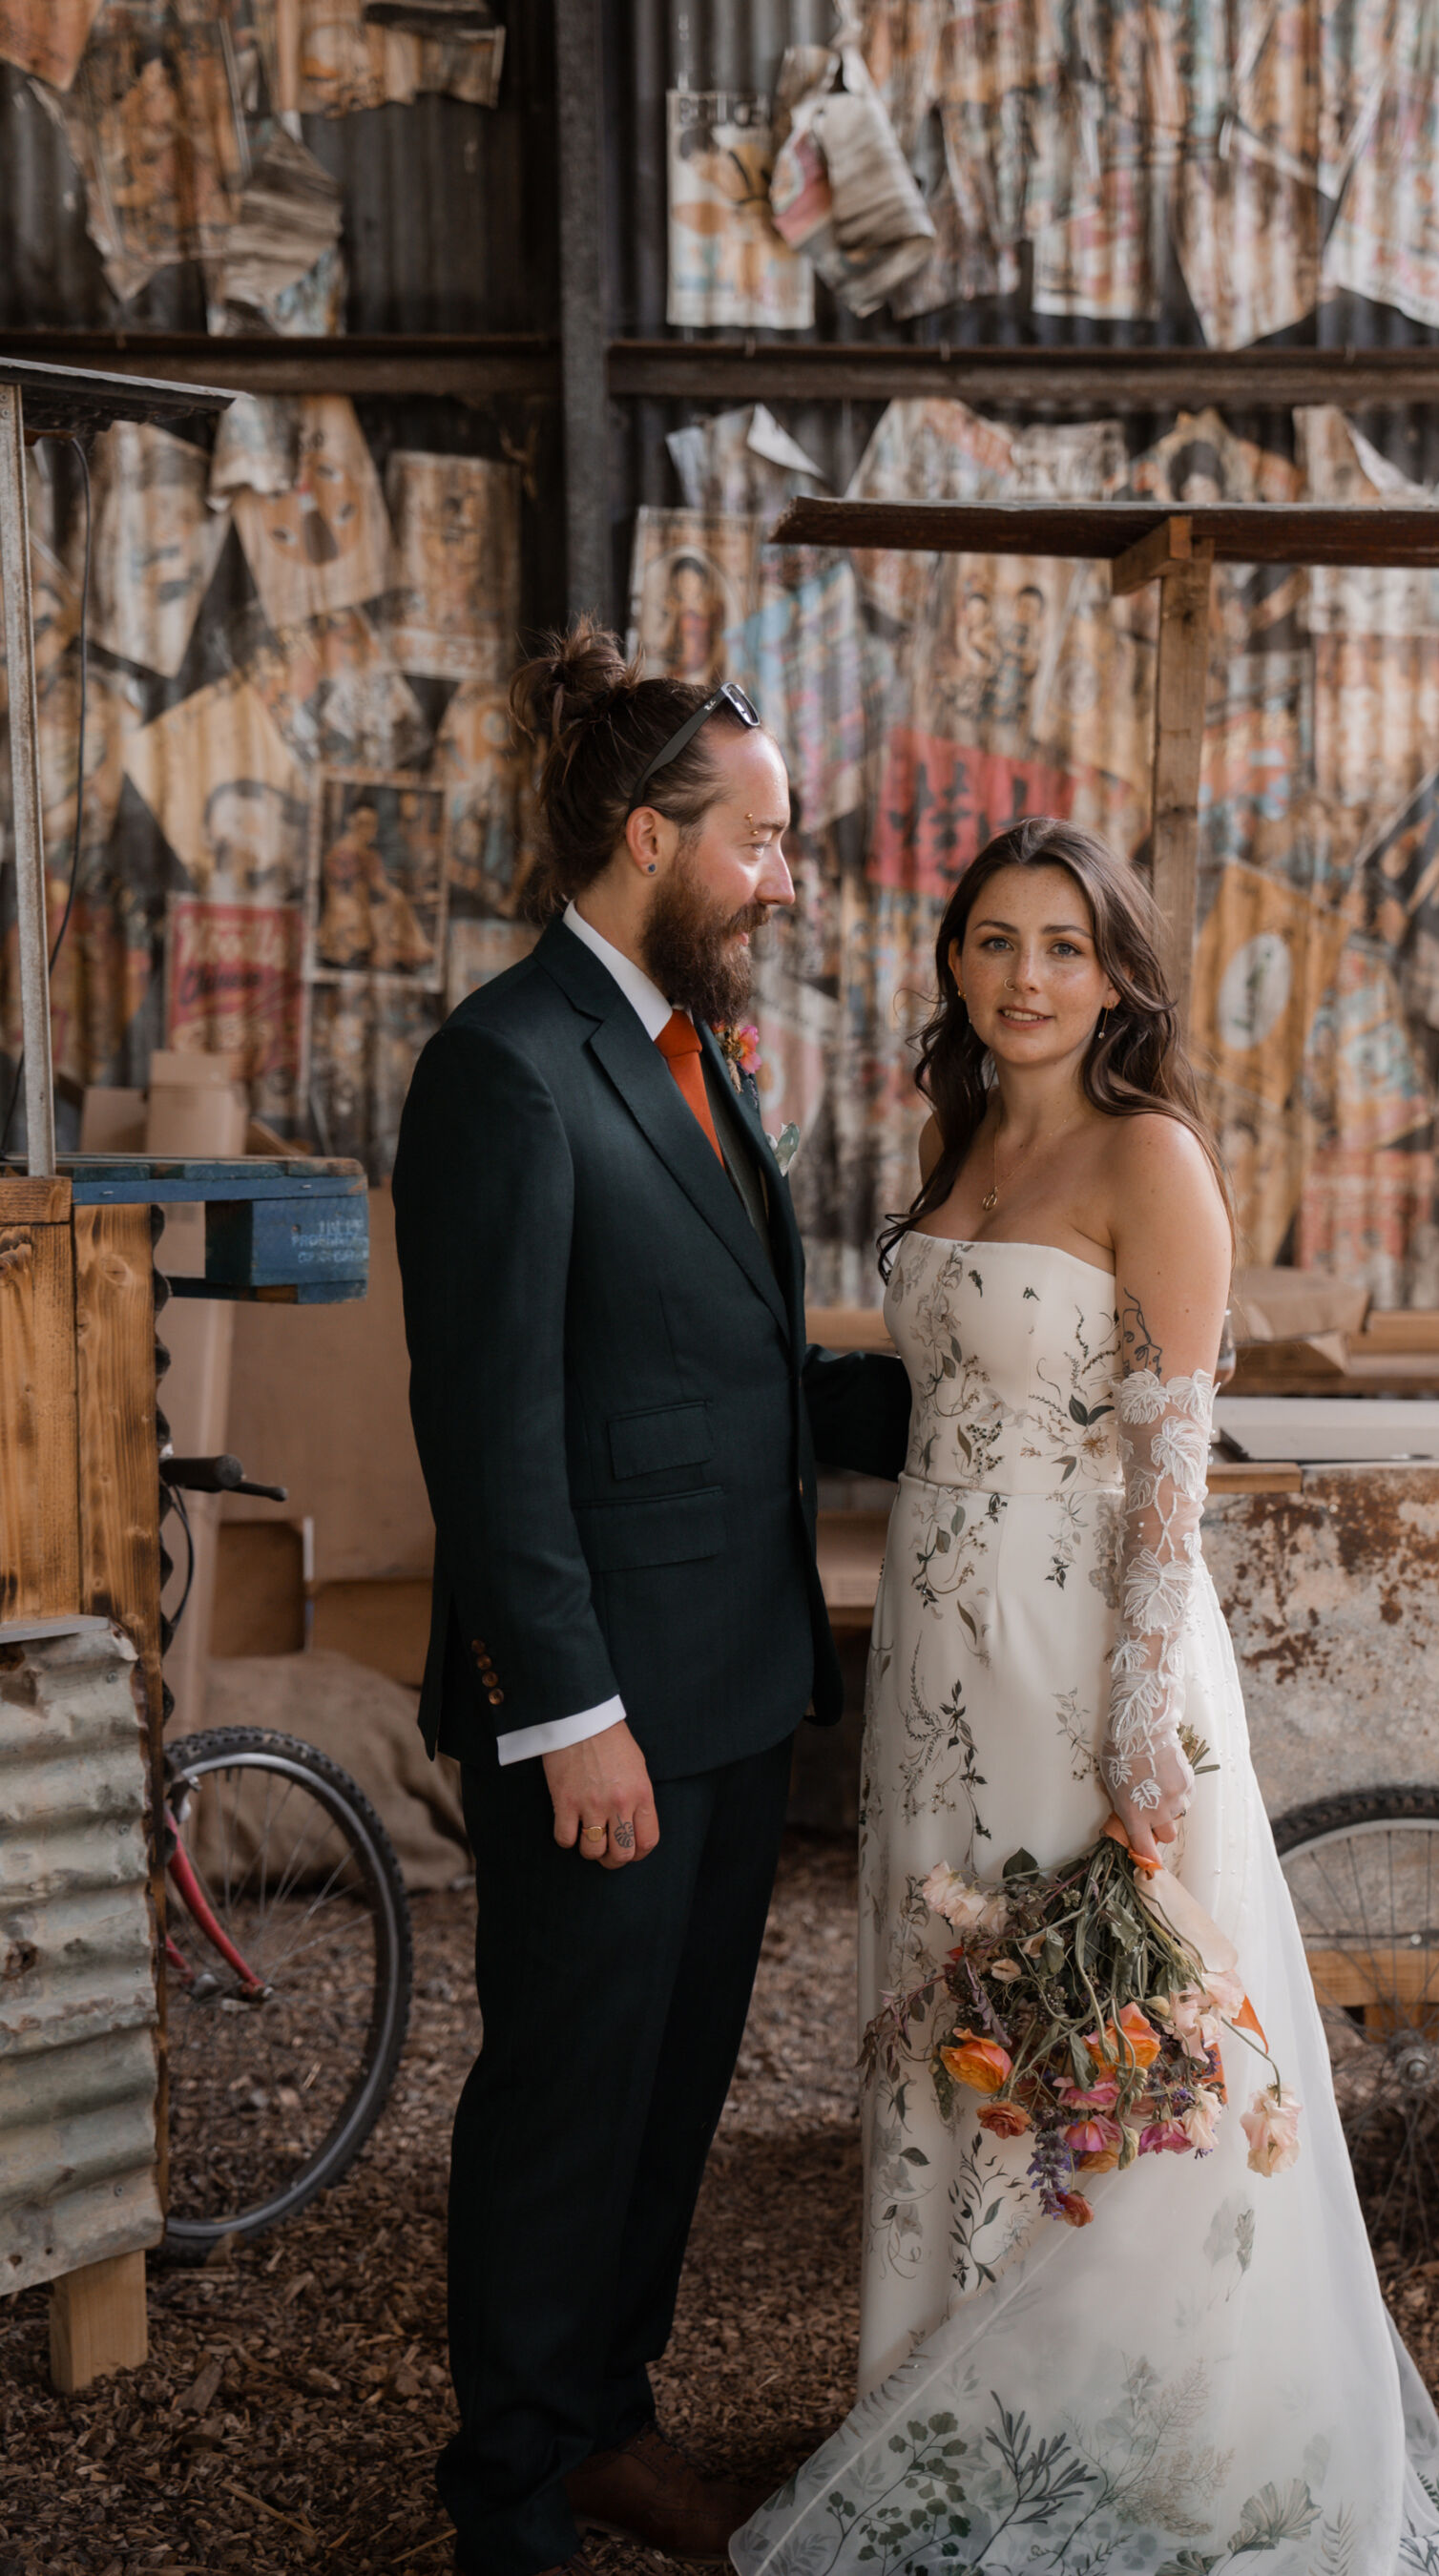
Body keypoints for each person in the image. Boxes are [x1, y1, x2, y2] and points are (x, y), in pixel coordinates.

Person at [732, 818, 1439, 2576]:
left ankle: (1143, 2449)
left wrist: (1140, 1721)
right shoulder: (963, 1143)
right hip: (941, 1663)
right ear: (956, 961)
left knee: (1105, 2036)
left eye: (1064, 948)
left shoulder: (1148, 1155)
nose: (1025, 976)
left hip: (1087, 1654)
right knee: (950, 2010)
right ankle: (941, 2406)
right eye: (995, 940)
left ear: (1114, 978)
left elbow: (1172, 1457)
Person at [392, 616, 912, 2576]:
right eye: (758, 843)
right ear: (640, 837)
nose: (784, 880)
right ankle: (507, 2494)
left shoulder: (686, 1058)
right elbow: (497, 1432)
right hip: (598, 1712)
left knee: (669, 2098)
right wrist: (568, 1711)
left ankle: (606, 2423)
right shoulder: (505, 1073)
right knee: (561, 2107)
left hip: (727, 1687)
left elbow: (714, 1371)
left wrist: (951, 1380)